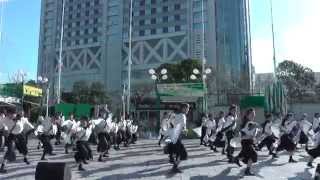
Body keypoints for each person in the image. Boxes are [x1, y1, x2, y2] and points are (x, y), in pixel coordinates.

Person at [234, 108, 258, 176]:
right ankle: (247, 170)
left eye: (254, 114)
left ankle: (237, 159)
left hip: (249, 142)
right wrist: (250, 136)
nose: (253, 115)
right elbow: (242, 136)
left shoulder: (250, 123)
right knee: (253, 155)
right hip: (246, 142)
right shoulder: (248, 123)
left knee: (246, 156)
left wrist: (254, 135)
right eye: (251, 114)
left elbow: (252, 133)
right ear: (247, 115)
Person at [167, 103, 189, 173]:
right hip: (177, 137)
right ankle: (175, 167)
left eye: (188, 108)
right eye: (187, 108)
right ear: (183, 108)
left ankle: (173, 163)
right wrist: (185, 131)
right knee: (184, 154)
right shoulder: (182, 116)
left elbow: (170, 125)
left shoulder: (174, 115)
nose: (188, 110)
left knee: (178, 153)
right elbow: (183, 128)